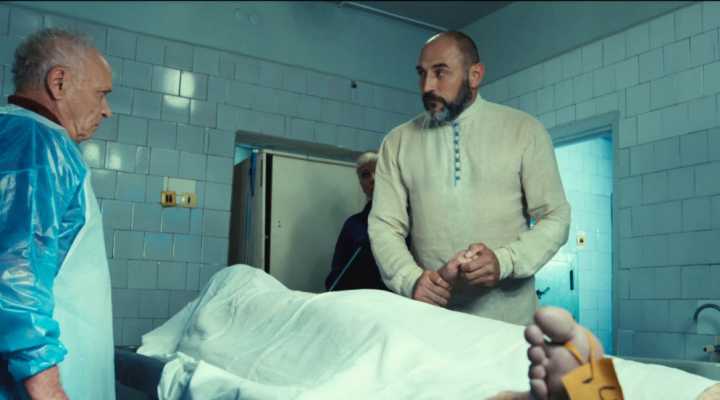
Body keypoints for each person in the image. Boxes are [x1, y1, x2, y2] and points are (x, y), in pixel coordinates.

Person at [137, 263, 720, 399]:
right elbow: (386, 231)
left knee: (411, 351)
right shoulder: (237, 290)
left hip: (374, 311)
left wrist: (502, 256)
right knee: (448, 346)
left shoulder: (238, 289)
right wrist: (415, 279)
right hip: (406, 305)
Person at [368, 30, 571, 325]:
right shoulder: (397, 142)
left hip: (508, 324)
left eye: (440, 72)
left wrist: (504, 261)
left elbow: (556, 217)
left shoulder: (524, 131)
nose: (427, 86)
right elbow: (384, 225)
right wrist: (410, 279)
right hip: (432, 320)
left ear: (475, 75)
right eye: (422, 74)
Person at [0, 28, 114, 399]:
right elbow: (14, 272)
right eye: (101, 93)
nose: (106, 110)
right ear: (59, 82)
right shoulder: (37, 142)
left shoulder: (15, 133)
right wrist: (47, 390)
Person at [325, 152, 389, 291]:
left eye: (378, 172)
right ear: (361, 185)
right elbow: (337, 273)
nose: (372, 179)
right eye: (366, 175)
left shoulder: (410, 219)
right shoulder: (352, 225)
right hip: (358, 299)